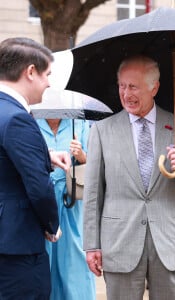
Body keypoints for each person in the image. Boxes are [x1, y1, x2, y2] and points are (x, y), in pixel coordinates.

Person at [83, 55, 175, 300]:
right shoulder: (102, 131)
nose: (126, 94)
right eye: (122, 86)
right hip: (119, 243)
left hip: (168, 244)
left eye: (133, 86)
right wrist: (92, 244)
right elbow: (93, 193)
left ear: (154, 87)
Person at [0, 37, 70, 299]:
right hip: (17, 247)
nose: (49, 83)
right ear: (30, 72)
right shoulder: (18, 117)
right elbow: (39, 187)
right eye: (47, 74)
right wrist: (52, 224)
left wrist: (45, 155)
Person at [37, 118, 95, 300]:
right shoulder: (31, 120)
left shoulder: (80, 123)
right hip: (41, 201)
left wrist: (81, 156)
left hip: (71, 200)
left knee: (74, 263)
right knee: (44, 261)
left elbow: (96, 165)